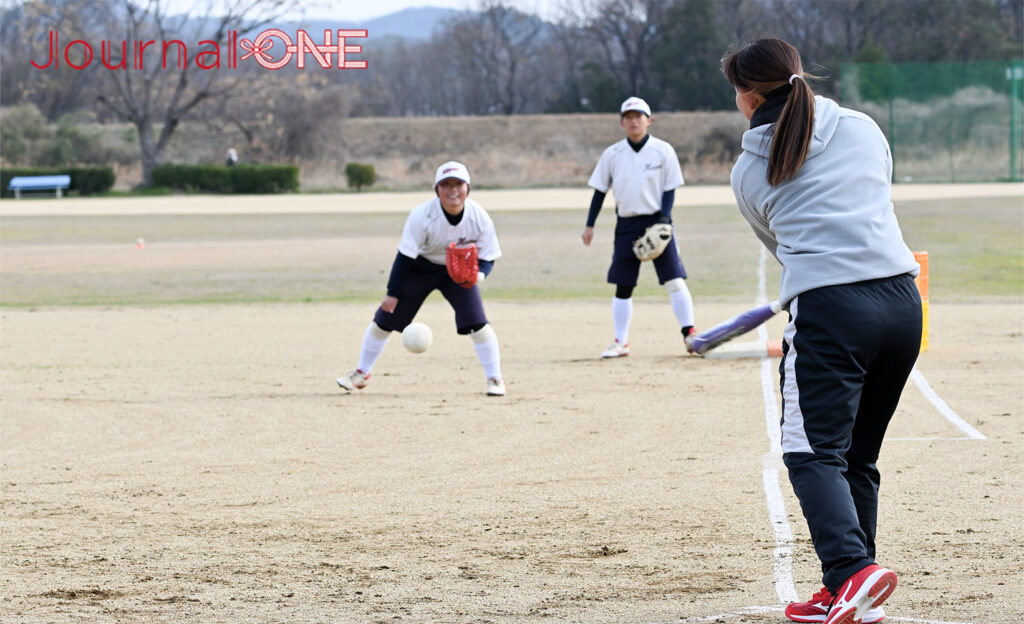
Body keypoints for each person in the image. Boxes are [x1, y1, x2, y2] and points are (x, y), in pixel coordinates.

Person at [721, 38, 922, 624]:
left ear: (750, 96)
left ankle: (851, 573)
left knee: (810, 453)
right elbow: (876, 194)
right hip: (902, 303)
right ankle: (849, 587)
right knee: (856, 456)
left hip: (833, 309)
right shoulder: (861, 126)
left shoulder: (748, 169)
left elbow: (781, 247)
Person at [336, 161, 507, 397]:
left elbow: (488, 257)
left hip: (458, 273)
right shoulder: (421, 215)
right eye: (445, 185)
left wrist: (478, 275)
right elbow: (404, 257)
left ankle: (495, 378)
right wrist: (392, 293)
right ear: (436, 189)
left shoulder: (480, 218)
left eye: (458, 184)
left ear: (468, 188)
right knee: (383, 319)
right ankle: (361, 373)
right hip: (420, 268)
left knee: (478, 324)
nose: (452, 190)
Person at [582, 96, 696, 358]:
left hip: (657, 221)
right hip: (626, 223)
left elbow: (669, 188)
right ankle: (621, 341)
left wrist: (665, 219)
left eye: (638, 116)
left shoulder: (663, 150)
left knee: (674, 280)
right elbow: (599, 191)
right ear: (622, 122)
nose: (634, 121)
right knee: (623, 285)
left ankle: (689, 334)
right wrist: (590, 225)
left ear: (649, 120)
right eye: (628, 117)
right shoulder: (612, 154)